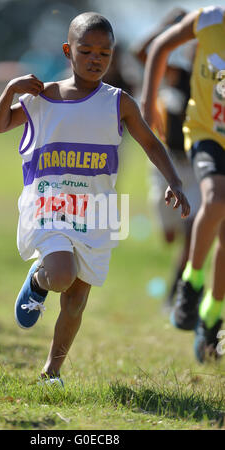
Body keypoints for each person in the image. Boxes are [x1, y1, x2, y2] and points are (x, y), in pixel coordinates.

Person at [0, 12, 190, 385]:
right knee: (62, 276)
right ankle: (39, 281)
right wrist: (10, 90)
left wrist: (175, 181)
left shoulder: (120, 102)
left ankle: (52, 371)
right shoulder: (44, 95)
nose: (96, 58)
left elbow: (150, 142)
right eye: (86, 51)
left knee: (76, 301)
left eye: (104, 52)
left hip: (96, 210)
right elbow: (0, 125)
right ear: (69, 51)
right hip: (50, 204)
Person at [141, 5, 225, 363]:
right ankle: (191, 282)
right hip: (206, 134)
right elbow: (159, 46)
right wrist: (147, 101)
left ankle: (211, 315)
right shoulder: (209, 20)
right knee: (217, 199)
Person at [133, 9, 201, 309]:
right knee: (170, 235)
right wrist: (165, 27)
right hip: (165, 165)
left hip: (198, 166)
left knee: (192, 232)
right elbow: (141, 54)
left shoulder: (216, 83)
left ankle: (175, 295)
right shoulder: (177, 76)